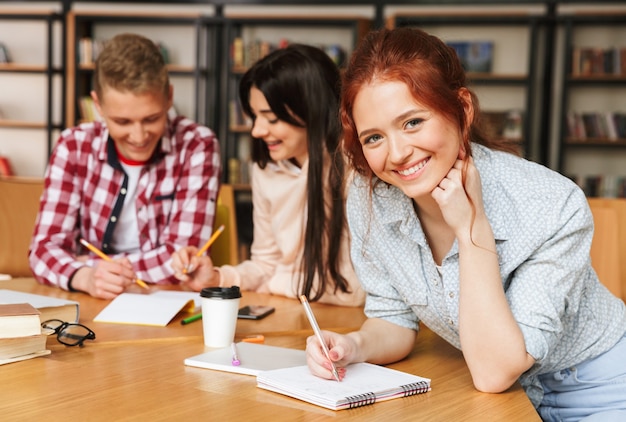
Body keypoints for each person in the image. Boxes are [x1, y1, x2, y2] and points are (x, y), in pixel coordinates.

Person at [304, 27, 626, 421]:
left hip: (599, 386)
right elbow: (393, 320)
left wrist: (471, 229)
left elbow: (495, 371)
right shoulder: (371, 200)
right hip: (497, 400)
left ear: (462, 109)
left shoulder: (552, 204)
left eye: (412, 122)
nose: (398, 154)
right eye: (373, 138)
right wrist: (352, 347)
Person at [29, 33, 221, 299]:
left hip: (164, 301)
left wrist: (89, 264)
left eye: (152, 118)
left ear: (169, 98)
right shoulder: (73, 146)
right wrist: (85, 277)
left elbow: (184, 260)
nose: (139, 136)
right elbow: (43, 250)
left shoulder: (197, 145)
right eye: (122, 122)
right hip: (89, 299)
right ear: (98, 105)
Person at [171, 44, 364, 307]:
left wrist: (276, 284)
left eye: (271, 119)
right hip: (294, 310)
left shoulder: (357, 168)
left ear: (313, 111)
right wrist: (216, 277)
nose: (257, 131)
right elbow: (266, 262)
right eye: (254, 117)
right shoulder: (266, 169)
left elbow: (356, 289)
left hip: (349, 323)